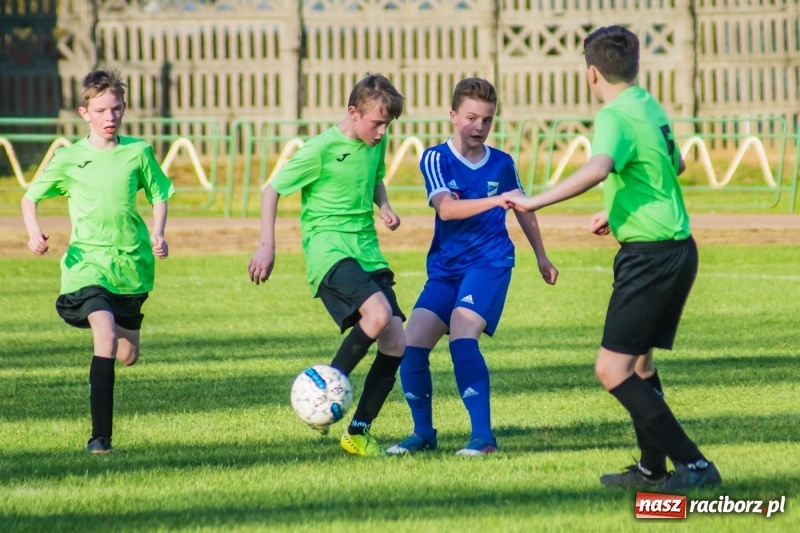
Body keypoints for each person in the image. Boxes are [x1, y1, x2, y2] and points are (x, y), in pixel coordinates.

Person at [503, 26, 721, 490]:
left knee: (612, 368)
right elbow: (673, 165)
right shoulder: (646, 103)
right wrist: (618, 207)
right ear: (636, 66)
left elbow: (598, 166)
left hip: (650, 255)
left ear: (591, 73)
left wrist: (533, 201)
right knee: (640, 366)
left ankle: (696, 467)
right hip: (677, 248)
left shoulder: (613, 115)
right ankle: (651, 469)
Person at [385, 78, 558, 457]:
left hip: (490, 263)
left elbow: (523, 209)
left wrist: (541, 255)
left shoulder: (503, 163)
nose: (479, 126)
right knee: (410, 346)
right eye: (471, 117)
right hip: (446, 269)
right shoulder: (435, 158)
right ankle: (424, 433)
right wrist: (498, 200)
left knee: (464, 334)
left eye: (487, 119)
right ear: (452, 116)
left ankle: (483, 438)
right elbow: (446, 208)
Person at [248, 74, 407, 457]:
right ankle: (320, 391)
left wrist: (383, 206)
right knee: (379, 313)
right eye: (376, 123)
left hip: (367, 250)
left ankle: (358, 432)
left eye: (388, 125)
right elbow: (272, 190)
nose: (382, 132)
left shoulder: (374, 144)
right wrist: (267, 245)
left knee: (397, 341)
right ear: (353, 112)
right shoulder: (319, 148)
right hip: (329, 250)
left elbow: (375, 180)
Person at [21, 67, 174, 454]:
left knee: (127, 353)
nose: (111, 117)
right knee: (103, 335)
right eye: (102, 110)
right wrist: (33, 232)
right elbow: (30, 197)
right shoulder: (70, 158)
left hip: (131, 266)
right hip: (86, 265)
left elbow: (159, 193)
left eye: (117, 109)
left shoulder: (137, 151)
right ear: (84, 112)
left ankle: (108, 383)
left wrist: (158, 232)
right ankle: (100, 439)